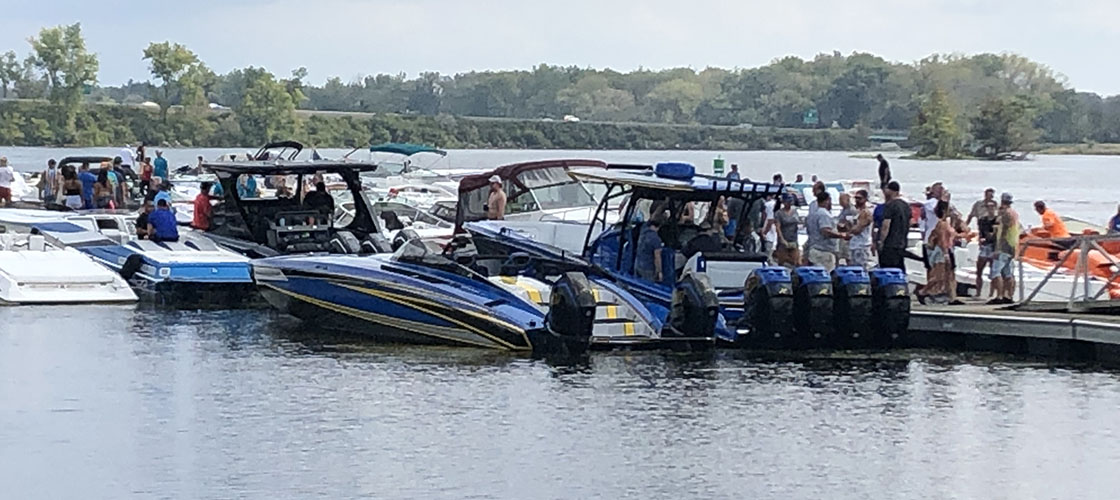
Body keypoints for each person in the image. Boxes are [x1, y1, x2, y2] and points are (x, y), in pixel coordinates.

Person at [917, 201, 962, 305]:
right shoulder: (942, 224)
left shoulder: (944, 223)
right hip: (942, 250)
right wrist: (945, 253)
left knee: (947, 275)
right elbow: (942, 240)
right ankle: (923, 291)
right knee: (938, 275)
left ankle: (950, 296)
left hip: (946, 249)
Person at [805, 191, 849, 272]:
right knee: (825, 275)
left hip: (814, 249)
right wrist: (842, 235)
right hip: (823, 252)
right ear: (827, 200)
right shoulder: (824, 214)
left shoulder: (813, 214)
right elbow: (825, 231)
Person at [989, 193, 1020, 305]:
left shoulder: (1006, 214)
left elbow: (1004, 232)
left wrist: (998, 248)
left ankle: (999, 296)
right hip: (1012, 245)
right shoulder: (1014, 213)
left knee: (996, 272)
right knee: (1008, 272)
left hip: (1004, 246)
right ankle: (1008, 295)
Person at [878, 181, 910, 270]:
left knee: (888, 269)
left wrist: (881, 241)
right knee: (899, 267)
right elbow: (910, 222)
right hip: (902, 242)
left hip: (890, 243)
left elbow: (886, 225)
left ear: (891, 191)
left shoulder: (890, 205)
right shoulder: (906, 205)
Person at [975, 199, 999, 297]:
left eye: (992, 207)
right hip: (985, 246)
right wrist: (981, 239)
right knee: (979, 270)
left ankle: (991, 293)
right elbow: (981, 232)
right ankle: (978, 292)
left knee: (993, 271)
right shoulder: (982, 220)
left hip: (994, 246)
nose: (990, 209)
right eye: (988, 207)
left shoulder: (998, 220)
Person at [771, 194, 800, 268]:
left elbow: (798, 223)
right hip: (784, 239)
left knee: (795, 261)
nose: (789, 203)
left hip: (794, 239)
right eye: (787, 202)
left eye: (790, 202)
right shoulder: (779, 213)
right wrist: (782, 239)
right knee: (782, 261)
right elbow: (778, 227)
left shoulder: (795, 211)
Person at [635, 213, 666, 282]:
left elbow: (652, 217)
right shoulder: (656, 239)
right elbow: (657, 257)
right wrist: (659, 272)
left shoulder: (643, 229)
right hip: (648, 268)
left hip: (637, 263)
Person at [849, 190, 874, 269]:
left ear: (865, 199)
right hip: (854, 244)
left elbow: (857, 230)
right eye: (856, 198)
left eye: (859, 198)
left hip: (862, 245)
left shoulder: (866, 213)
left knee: (861, 268)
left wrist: (849, 230)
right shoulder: (855, 212)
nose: (857, 200)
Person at [837, 193, 856, 264]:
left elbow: (851, 222)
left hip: (848, 236)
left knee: (848, 256)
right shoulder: (844, 210)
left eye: (842, 200)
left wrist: (844, 225)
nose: (840, 202)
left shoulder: (851, 210)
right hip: (842, 235)